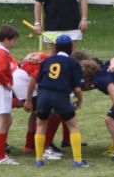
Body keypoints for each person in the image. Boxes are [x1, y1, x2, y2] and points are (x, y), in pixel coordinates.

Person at [31, 35, 88, 168]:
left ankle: (39, 160)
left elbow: (37, 84)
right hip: (60, 96)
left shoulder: (47, 61)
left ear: (56, 48)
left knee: (40, 125)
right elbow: (78, 89)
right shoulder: (73, 63)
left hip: (43, 95)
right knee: (73, 126)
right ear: (70, 49)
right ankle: (78, 161)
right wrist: (79, 101)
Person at [0, 25, 20, 165]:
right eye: (14, 40)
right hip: (0, 88)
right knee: (3, 121)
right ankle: (0, 156)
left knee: (6, 120)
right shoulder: (3, 53)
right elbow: (0, 71)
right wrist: (7, 83)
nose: (15, 43)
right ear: (6, 40)